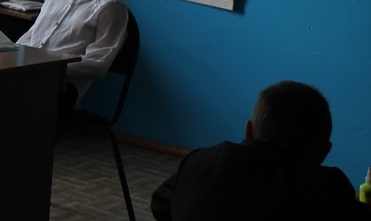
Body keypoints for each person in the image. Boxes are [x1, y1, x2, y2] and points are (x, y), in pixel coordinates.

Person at [151, 80, 371, 220]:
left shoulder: (199, 161)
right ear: (324, 151)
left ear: (248, 130)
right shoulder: (326, 189)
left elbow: (160, 206)